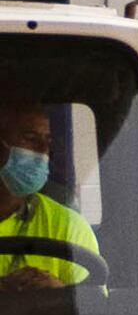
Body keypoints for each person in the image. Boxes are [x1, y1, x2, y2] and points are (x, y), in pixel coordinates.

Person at [0, 101, 93, 301]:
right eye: (30, 139)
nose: (43, 151)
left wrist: (59, 295)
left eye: (47, 142)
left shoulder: (68, 227)